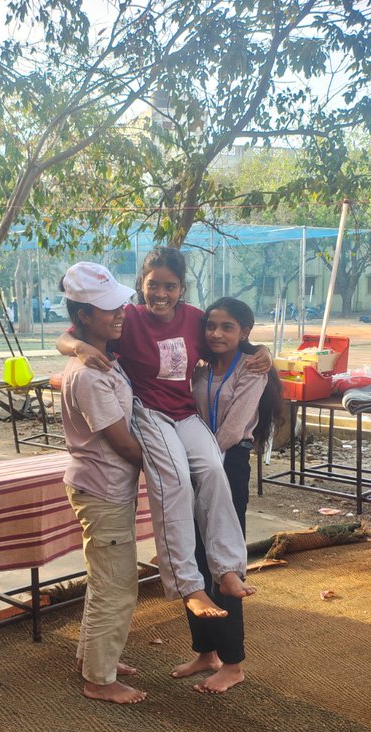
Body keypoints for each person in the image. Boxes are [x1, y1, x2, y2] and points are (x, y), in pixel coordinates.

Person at [57, 247, 267, 620]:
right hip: (149, 413)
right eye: (153, 285)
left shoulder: (194, 320)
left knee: (214, 471)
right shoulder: (127, 319)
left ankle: (228, 569)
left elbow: (229, 340)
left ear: (181, 289)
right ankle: (188, 584)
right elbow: (66, 338)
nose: (161, 294)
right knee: (176, 482)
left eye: (170, 286)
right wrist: (78, 347)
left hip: (185, 412)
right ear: (142, 285)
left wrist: (262, 350)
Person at [178, 297, 281, 693]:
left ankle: (233, 663)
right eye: (211, 326)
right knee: (194, 556)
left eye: (227, 327)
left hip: (228, 463)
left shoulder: (252, 368)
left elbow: (234, 428)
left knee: (225, 560)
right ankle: (206, 652)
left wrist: (201, 463)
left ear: (245, 332)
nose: (216, 334)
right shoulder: (201, 367)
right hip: (196, 464)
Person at [58, 262, 147, 704]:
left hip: (104, 486)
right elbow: (123, 443)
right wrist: (171, 468)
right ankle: (99, 680)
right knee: (117, 584)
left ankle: (92, 658)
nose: (120, 313)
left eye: (120, 304)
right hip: (104, 488)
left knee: (105, 578)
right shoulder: (89, 374)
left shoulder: (100, 358)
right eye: (109, 308)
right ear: (84, 315)